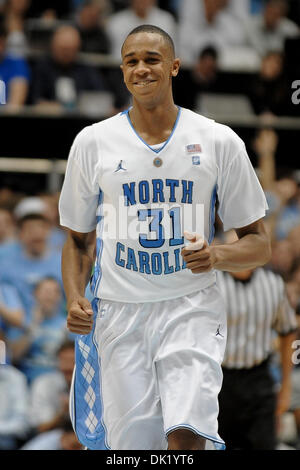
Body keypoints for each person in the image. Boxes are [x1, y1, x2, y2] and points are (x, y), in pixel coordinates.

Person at [59, 24, 271, 450]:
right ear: (121, 71)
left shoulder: (217, 140)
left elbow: (259, 243)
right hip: (120, 311)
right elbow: (79, 240)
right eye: (132, 61)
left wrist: (215, 256)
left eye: (152, 59)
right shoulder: (93, 142)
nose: (142, 68)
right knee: (135, 449)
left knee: (186, 436)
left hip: (191, 307)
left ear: (174, 66)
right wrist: (73, 295)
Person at [216, 231, 297, 450]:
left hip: (258, 380)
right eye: (232, 248)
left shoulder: (273, 284)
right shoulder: (211, 285)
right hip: (220, 382)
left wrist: (286, 387)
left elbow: (287, 331)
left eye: (243, 248)